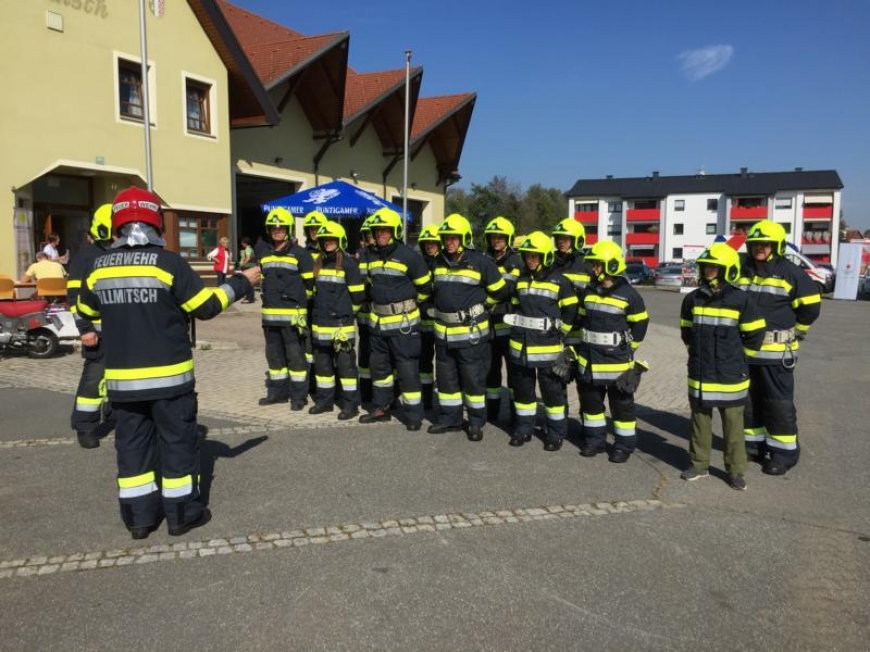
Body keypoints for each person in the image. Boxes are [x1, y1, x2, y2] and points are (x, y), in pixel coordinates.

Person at [76, 186, 260, 540]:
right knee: (176, 446)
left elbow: (86, 312)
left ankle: (139, 520)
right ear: (156, 223)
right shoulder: (170, 263)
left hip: (123, 384)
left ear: (117, 225)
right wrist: (240, 283)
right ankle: (182, 515)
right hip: (169, 381)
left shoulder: (98, 267)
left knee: (132, 449)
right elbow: (205, 307)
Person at [679, 243, 766, 490]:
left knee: (733, 426)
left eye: (714, 267)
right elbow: (687, 332)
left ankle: (736, 471)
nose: (708, 270)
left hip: (730, 375)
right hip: (700, 374)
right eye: (706, 266)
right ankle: (698, 465)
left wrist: (737, 358)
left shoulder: (741, 300)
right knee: (699, 422)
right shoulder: (692, 299)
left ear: (727, 269)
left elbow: (755, 336)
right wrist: (696, 355)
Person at [739, 220, 821, 476]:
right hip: (745, 353)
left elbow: (810, 307)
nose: (759, 248)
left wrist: (798, 332)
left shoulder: (791, 273)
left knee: (777, 404)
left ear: (777, 246)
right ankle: (753, 446)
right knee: (748, 403)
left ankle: (783, 453)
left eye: (765, 244)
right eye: (755, 244)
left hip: (776, 354)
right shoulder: (741, 270)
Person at [427, 213, 508, 441]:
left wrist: (483, 307)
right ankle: (450, 420)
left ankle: (475, 422)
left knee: (473, 381)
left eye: (454, 238)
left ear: (464, 238)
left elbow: (501, 291)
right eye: (446, 238)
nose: (449, 242)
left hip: (470, 335)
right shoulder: (438, 262)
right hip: (444, 335)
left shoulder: (481, 262)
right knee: (446, 381)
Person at [359, 207, 432, 431]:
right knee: (379, 370)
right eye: (377, 230)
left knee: (407, 370)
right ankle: (382, 408)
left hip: (403, 325)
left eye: (385, 230)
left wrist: (406, 306)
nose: (380, 234)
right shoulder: (370, 256)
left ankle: (413, 415)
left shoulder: (410, 256)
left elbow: (425, 289)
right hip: (378, 324)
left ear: (395, 231)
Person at [576, 240, 649, 463]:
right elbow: (580, 320)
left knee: (622, 409)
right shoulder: (588, 292)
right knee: (591, 405)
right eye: (593, 265)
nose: (593, 269)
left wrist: (628, 350)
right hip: (589, 361)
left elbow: (640, 324)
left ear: (611, 266)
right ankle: (595, 441)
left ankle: (624, 446)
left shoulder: (629, 294)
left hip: (617, 364)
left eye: (598, 265)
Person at [507, 232, 578, 449]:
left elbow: (571, 309)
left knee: (552, 394)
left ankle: (556, 434)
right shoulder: (520, 280)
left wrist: (560, 332)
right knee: (523, 393)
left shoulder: (560, 281)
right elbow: (513, 305)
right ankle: (524, 429)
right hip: (521, 348)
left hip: (547, 348)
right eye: (528, 256)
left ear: (546, 256)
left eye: (535, 256)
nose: (530, 260)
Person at [66, 204, 116, 449]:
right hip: (97, 332)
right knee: (94, 379)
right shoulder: (87, 255)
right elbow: (74, 295)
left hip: (123, 332)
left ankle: (114, 414)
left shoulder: (122, 253)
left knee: (121, 377)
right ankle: (85, 426)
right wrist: (85, 328)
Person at [258, 207, 315, 410]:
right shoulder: (264, 255)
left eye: (281, 227)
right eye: (274, 227)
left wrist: (300, 308)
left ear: (288, 229)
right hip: (270, 319)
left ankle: (299, 396)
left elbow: (310, 287)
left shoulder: (300, 254)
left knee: (296, 359)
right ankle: (277, 393)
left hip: (293, 319)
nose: (277, 230)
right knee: (274, 358)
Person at [309, 221, 365, 419]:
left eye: (332, 240)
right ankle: (324, 402)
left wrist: (346, 316)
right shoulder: (318, 262)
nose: (327, 243)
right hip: (321, 327)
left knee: (346, 368)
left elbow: (358, 297)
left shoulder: (349, 264)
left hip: (341, 327)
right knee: (323, 368)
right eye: (324, 241)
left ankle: (351, 406)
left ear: (340, 241)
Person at [482, 216, 522, 423]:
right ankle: (492, 413)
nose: (496, 240)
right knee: (491, 372)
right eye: (493, 237)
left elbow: (511, 290)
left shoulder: (517, 261)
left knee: (515, 372)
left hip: (510, 325)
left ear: (508, 238)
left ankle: (517, 415)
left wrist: (488, 299)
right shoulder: (482, 259)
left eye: (501, 237)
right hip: (488, 325)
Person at [416, 223, 442, 410]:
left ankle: (446, 400)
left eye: (433, 242)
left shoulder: (446, 263)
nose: (430, 245)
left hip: (443, 323)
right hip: (423, 321)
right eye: (427, 243)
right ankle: (426, 400)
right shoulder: (419, 264)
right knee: (424, 362)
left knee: (444, 363)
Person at [355, 216, 375, 404]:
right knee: (365, 354)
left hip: (381, 315)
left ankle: (390, 395)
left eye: (372, 233)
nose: (370, 236)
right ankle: (366, 393)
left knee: (384, 356)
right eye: (367, 233)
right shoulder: (359, 256)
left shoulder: (382, 254)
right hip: (364, 314)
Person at [236, 236, 256, 303]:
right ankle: (249, 297)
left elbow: (247, 258)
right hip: (249, 266)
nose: (241, 244)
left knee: (248, 282)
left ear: (245, 243)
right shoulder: (248, 249)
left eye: (242, 242)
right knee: (249, 282)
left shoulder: (248, 249)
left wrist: (242, 264)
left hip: (248, 267)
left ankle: (249, 298)